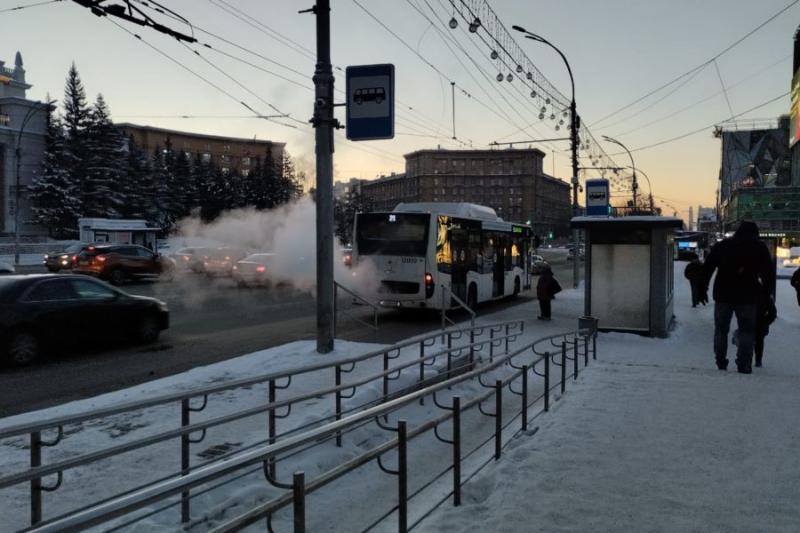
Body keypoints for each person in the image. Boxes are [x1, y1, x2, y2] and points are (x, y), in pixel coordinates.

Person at [700, 221, 774, 374]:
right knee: (747, 331)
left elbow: (708, 268)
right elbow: (768, 275)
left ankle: (720, 361)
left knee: (721, 330)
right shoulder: (759, 248)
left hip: (723, 295)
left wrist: (702, 289)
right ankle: (744, 364)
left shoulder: (723, 246)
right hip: (748, 297)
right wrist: (767, 298)